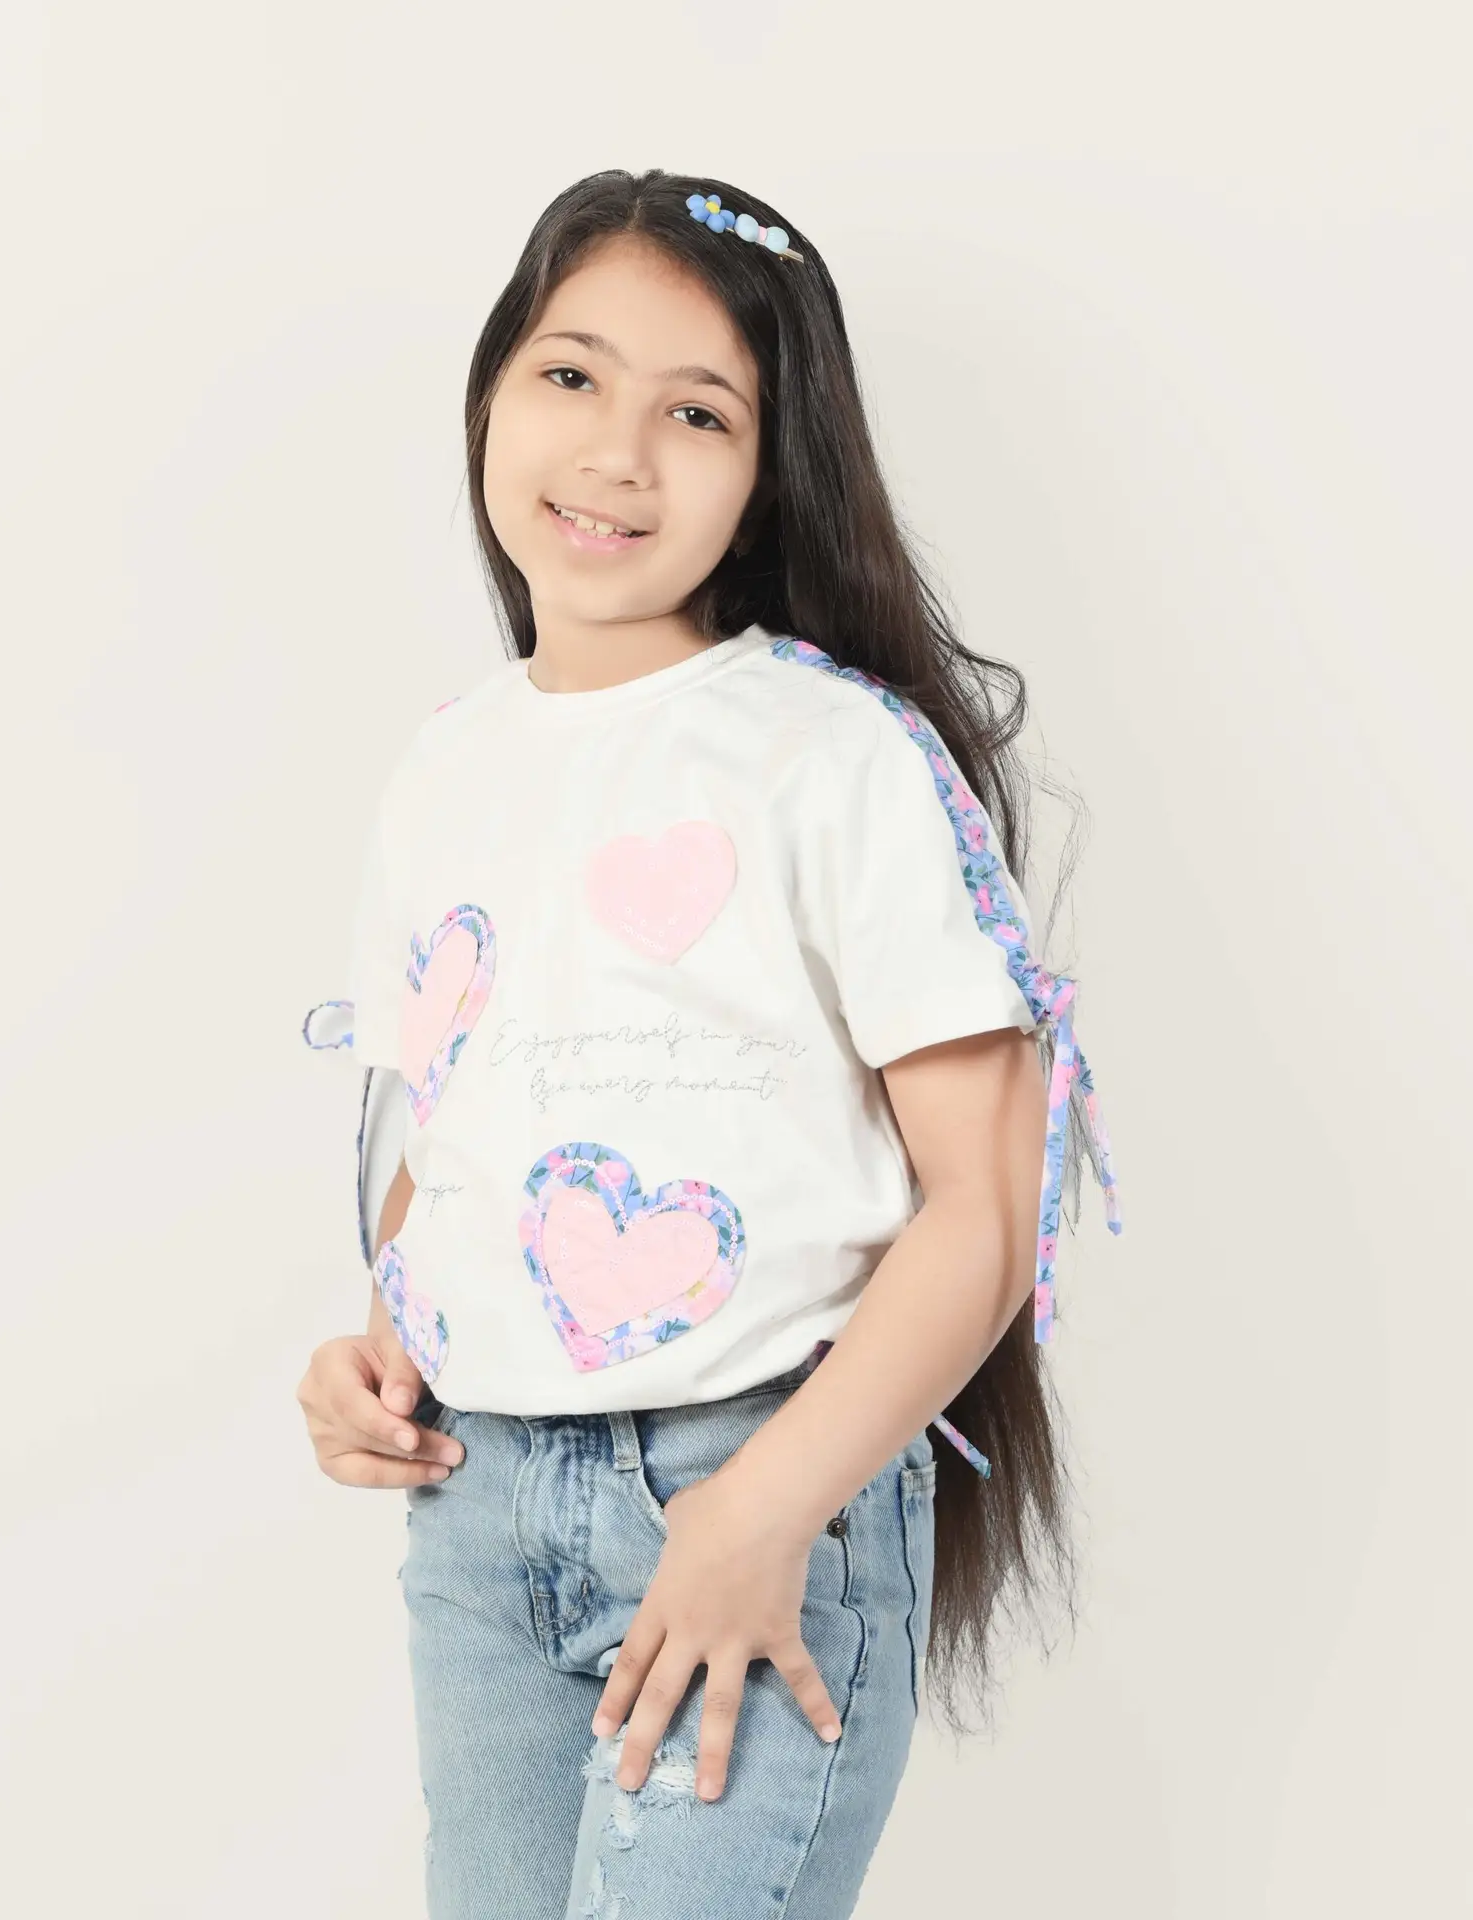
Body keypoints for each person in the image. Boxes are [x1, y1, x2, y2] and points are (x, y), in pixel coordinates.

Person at [295, 168, 1122, 1920]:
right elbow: (461, 1137)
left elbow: (984, 1208)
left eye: (697, 413)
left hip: (757, 1484)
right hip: (480, 1519)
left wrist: (759, 1512)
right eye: (570, 376)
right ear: (491, 394)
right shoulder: (442, 770)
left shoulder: (835, 757)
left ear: (766, 474)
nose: (616, 452)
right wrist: (379, 1347)